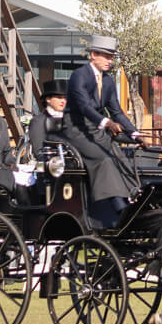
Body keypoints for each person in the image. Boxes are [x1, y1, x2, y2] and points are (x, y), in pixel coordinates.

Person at [62, 35, 144, 225]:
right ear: (93, 55)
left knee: (120, 156)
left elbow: (117, 111)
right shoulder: (79, 76)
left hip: (96, 130)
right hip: (76, 129)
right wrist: (107, 123)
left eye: (111, 57)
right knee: (104, 159)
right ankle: (117, 207)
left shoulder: (107, 81)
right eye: (106, 56)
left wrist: (135, 134)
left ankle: (133, 198)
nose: (110, 61)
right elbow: (84, 106)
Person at [29, 79, 69, 158]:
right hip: (53, 162)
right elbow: (39, 151)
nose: (63, 101)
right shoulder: (38, 121)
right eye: (59, 97)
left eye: (65, 98)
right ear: (48, 99)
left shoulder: (70, 119)